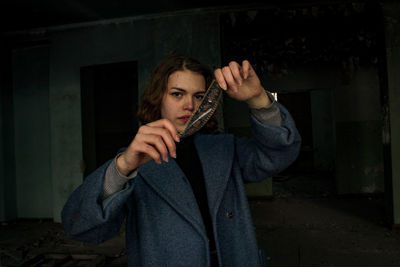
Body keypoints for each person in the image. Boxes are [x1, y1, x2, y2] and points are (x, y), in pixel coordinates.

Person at [62, 54, 301, 266]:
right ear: (158, 98)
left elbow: (279, 155)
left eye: (199, 96)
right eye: (177, 94)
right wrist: (122, 167)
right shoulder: (133, 160)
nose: (189, 105)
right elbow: (81, 228)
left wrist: (258, 98)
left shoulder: (225, 147)